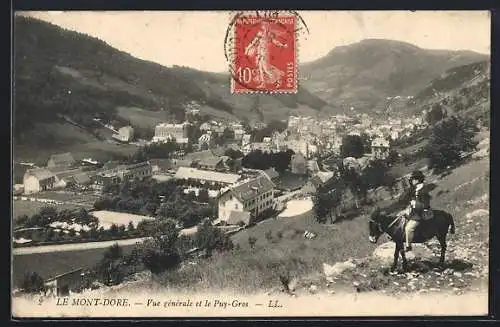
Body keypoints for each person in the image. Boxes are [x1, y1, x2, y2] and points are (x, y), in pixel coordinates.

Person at [404, 170, 431, 251]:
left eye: (413, 179)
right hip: (415, 211)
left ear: (417, 180)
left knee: (408, 228)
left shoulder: (424, 189)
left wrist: (414, 203)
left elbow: (425, 205)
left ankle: (408, 246)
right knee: (401, 219)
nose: (412, 181)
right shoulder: (416, 189)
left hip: (422, 213)